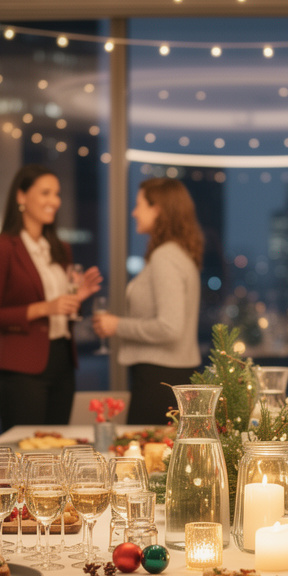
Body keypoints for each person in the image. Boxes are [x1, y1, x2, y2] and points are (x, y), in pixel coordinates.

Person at [0, 164, 102, 428]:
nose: (54, 201)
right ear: (21, 197)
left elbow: (59, 308)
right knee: (27, 455)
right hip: (21, 368)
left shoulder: (60, 249)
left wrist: (76, 298)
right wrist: (45, 308)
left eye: (56, 194)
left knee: (57, 449)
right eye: (45, 193)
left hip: (62, 362)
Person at [92, 178, 203, 424]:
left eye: (139, 204)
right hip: (173, 377)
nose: (133, 213)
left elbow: (169, 327)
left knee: (145, 458)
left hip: (160, 381)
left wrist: (116, 325)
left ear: (158, 209)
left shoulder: (165, 257)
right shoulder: (179, 255)